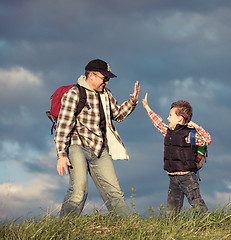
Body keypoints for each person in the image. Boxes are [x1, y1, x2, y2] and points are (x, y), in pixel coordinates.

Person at [55, 59, 140, 217]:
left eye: (108, 79)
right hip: (77, 146)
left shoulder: (106, 94)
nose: (106, 82)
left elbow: (118, 115)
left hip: (99, 149)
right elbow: (63, 126)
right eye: (104, 78)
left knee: (114, 192)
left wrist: (132, 101)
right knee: (79, 190)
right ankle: (65, 227)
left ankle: (130, 227)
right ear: (91, 75)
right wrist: (61, 155)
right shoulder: (74, 93)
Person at [142, 93, 211, 215]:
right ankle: (171, 229)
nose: (167, 118)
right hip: (173, 177)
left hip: (187, 176)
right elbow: (158, 123)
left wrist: (195, 126)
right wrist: (147, 107)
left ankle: (209, 223)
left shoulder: (189, 134)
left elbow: (207, 140)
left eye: (170, 115)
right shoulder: (168, 132)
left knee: (197, 203)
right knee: (172, 210)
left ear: (179, 118)